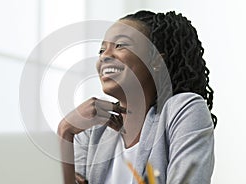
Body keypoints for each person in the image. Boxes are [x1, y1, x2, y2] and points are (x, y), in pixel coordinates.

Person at [57, 10, 217, 184]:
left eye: (120, 45)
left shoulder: (184, 110)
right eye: (101, 50)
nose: (104, 56)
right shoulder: (92, 131)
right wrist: (65, 131)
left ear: (156, 62)